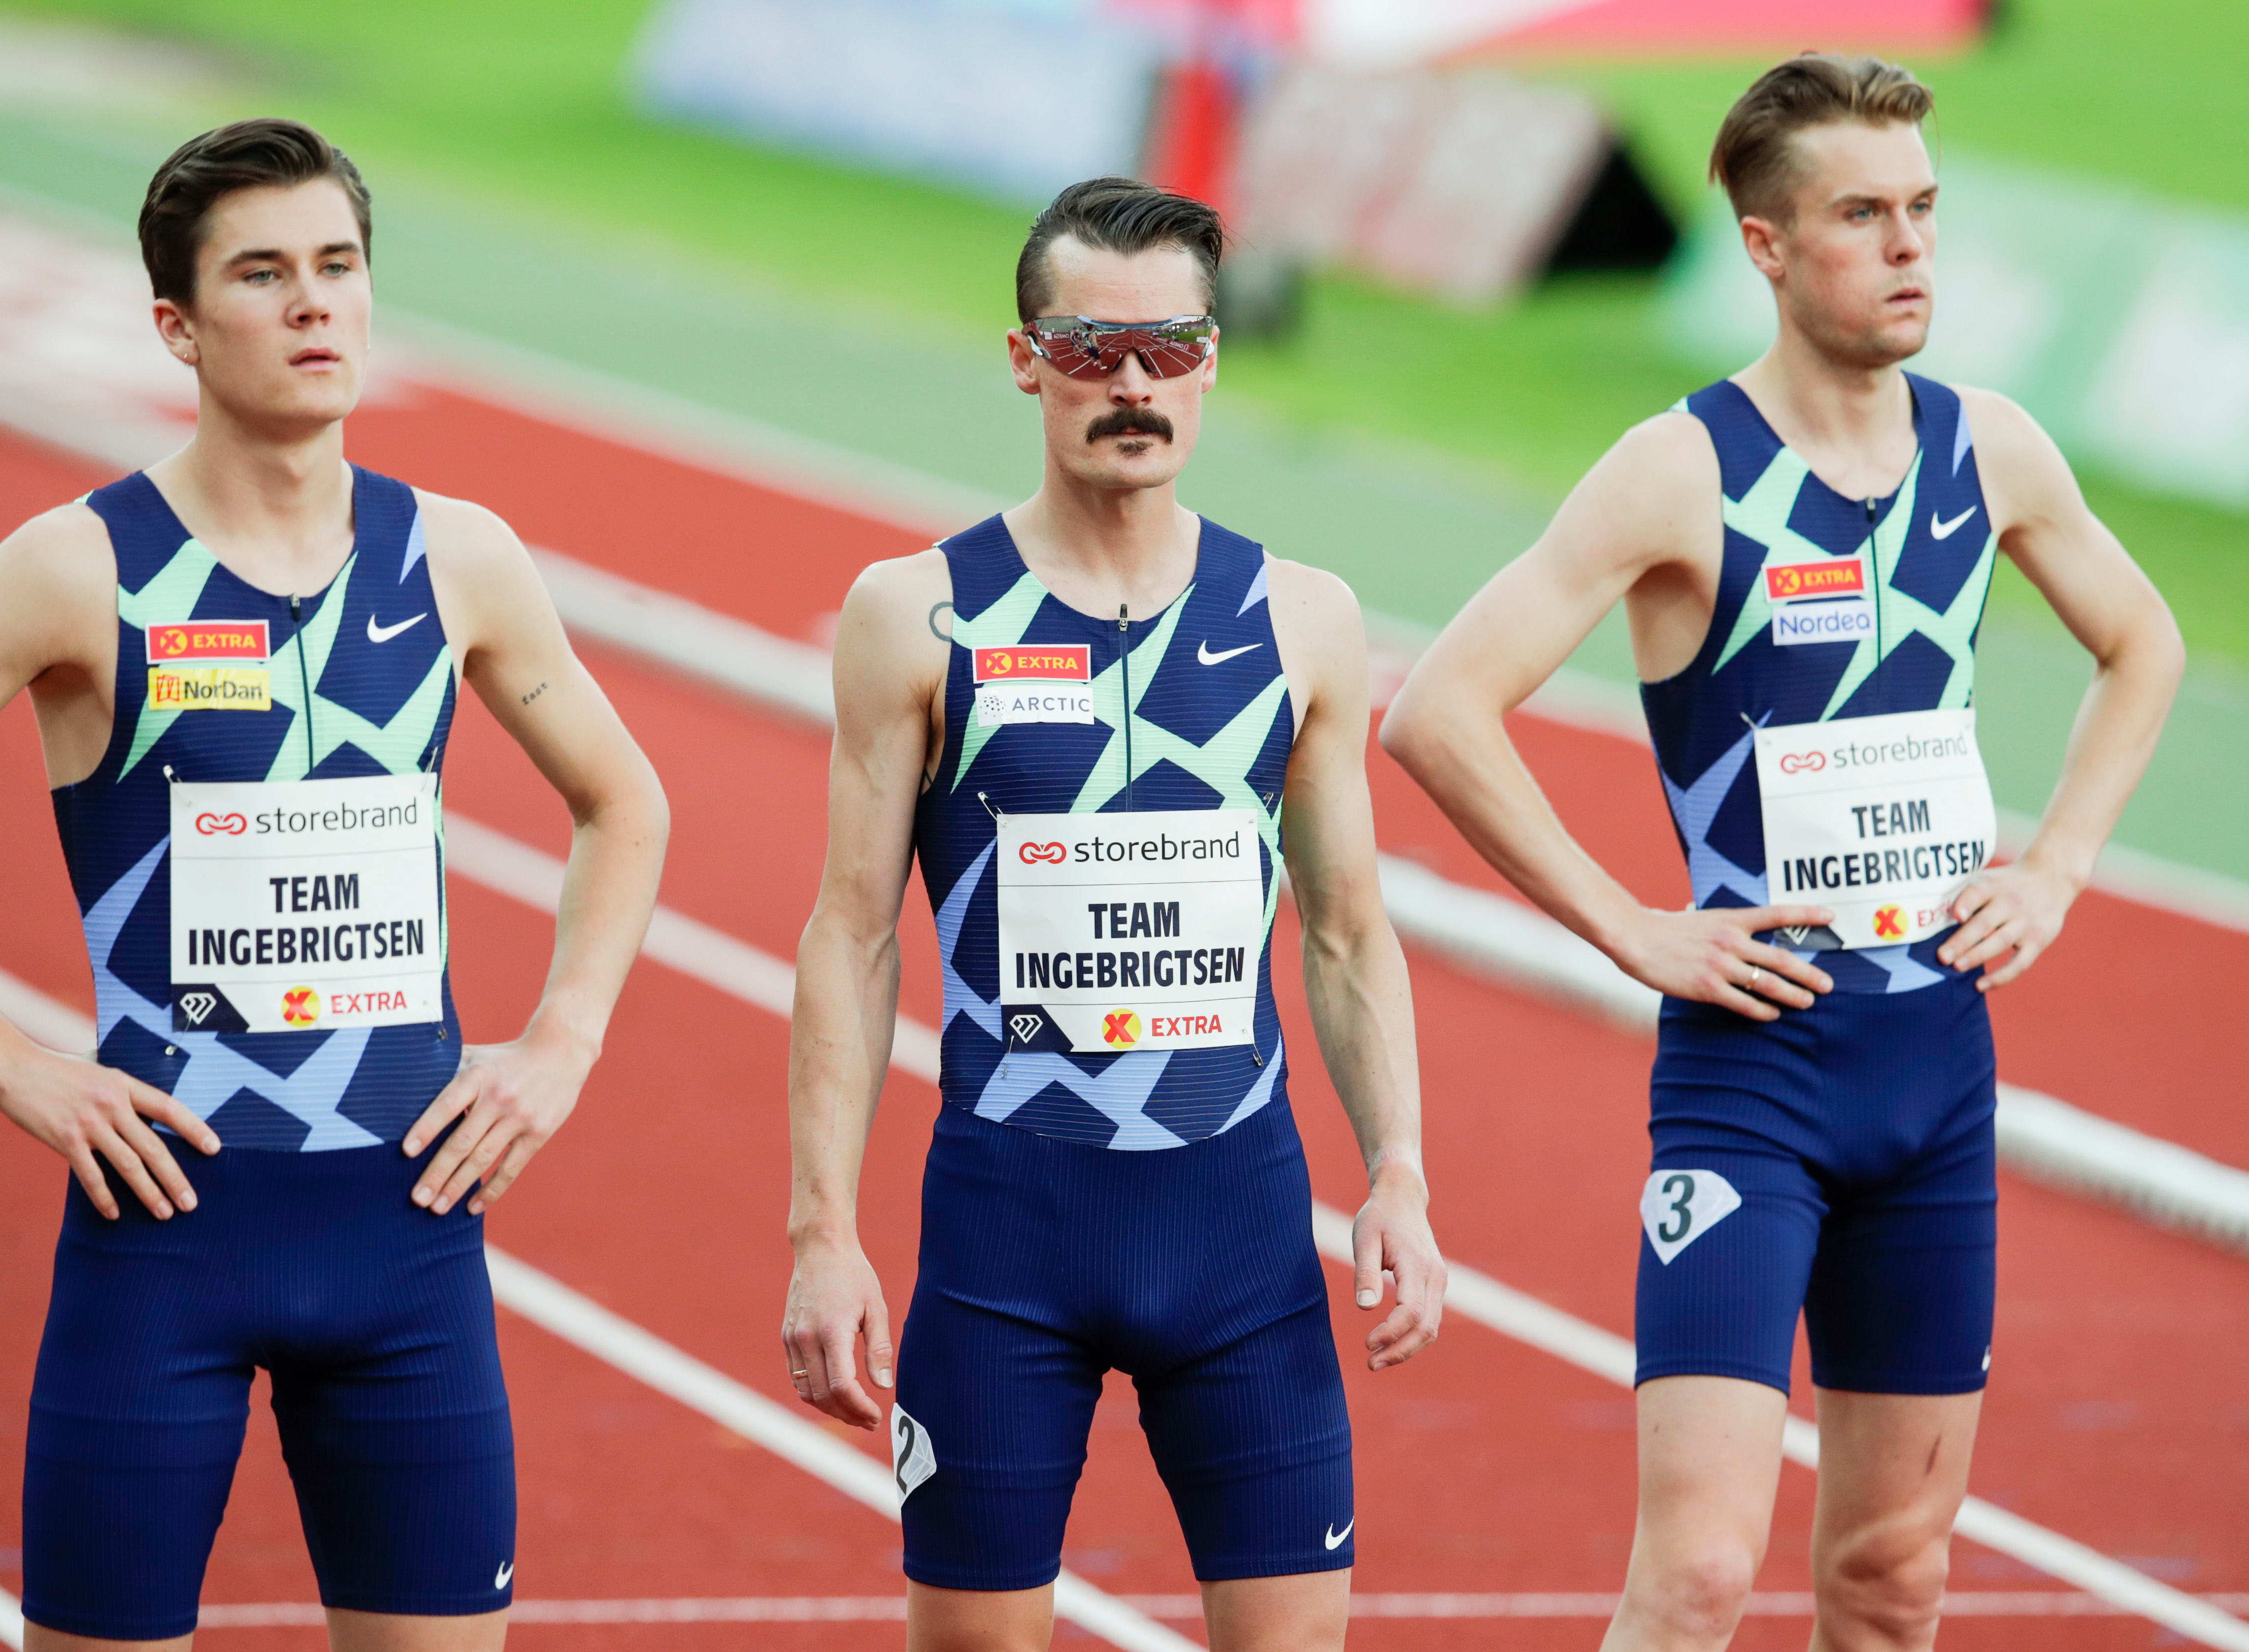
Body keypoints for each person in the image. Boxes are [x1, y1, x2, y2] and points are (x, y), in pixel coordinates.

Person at [0, 119, 669, 1650]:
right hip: (167, 1234)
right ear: (177, 326)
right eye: (262, 274)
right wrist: (8, 1059)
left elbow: (624, 798)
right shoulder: (80, 569)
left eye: (338, 264)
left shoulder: (458, 559)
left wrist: (564, 1037)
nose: (314, 301)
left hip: (408, 1239)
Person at [1379, 55, 2183, 1652]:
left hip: (1935, 1076)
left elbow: (2142, 642)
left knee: (1894, 1579)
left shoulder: (1989, 449)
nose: (1909, 248)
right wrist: (1627, 925)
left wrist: (2054, 867)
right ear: (1763, 245)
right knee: (1692, 1579)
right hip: (1757, 1080)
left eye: (1923, 211)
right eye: (1862, 216)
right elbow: (1436, 708)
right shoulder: (1678, 470)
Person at [780, 177, 1448, 1652]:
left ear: (1212, 360)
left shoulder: (1304, 619)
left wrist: (1397, 1170)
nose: (1133, 385)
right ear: (1028, 360)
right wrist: (823, 1229)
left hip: (1242, 1241)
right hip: (1007, 1239)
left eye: (1170, 349)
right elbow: (851, 934)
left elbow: (1347, 931)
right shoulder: (919, 614)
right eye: (1093, 349)